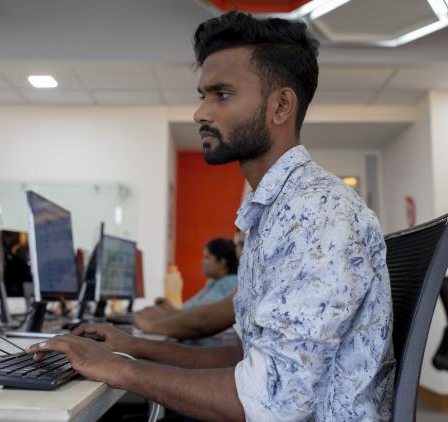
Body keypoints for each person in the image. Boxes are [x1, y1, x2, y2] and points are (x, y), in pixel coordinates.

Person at [28, 12, 394, 421]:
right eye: (203, 95)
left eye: (221, 95)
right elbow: (246, 356)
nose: (200, 112)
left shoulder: (319, 213)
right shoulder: (275, 213)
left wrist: (120, 368)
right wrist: (132, 346)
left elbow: (269, 401)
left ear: (280, 106)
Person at [134, 231, 245, 340]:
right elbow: (194, 312)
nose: (202, 262)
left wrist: (151, 325)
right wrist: (171, 311)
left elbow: (202, 319)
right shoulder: (213, 282)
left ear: (222, 262)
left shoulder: (229, 284)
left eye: (207, 257)